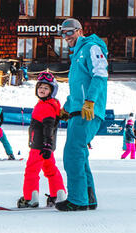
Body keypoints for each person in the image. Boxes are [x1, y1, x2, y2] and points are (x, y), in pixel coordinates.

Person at [55, 18, 108, 211]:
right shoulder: (76, 55)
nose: (66, 36)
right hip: (78, 110)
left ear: (79, 30)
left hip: (88, 110)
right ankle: (88, 197)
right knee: (80, 153)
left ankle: (77, 200)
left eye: (70, 32)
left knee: (72, 153)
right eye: (63, 33)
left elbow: (101, 74)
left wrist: (90, 101)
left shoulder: (91, 47)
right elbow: (78, 88)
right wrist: (66, 108)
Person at [18, 72, 66, 208]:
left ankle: (30, 198)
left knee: (31, 170)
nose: (42, 90)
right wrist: (48, 146)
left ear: (52, 91)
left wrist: (46, 144)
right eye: (40, 87)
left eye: (46, 88)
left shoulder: (46, 106)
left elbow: (48, 126)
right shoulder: (49, 104)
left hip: (40, 146)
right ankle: (58, 194)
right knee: (50, 170)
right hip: (46, 147)